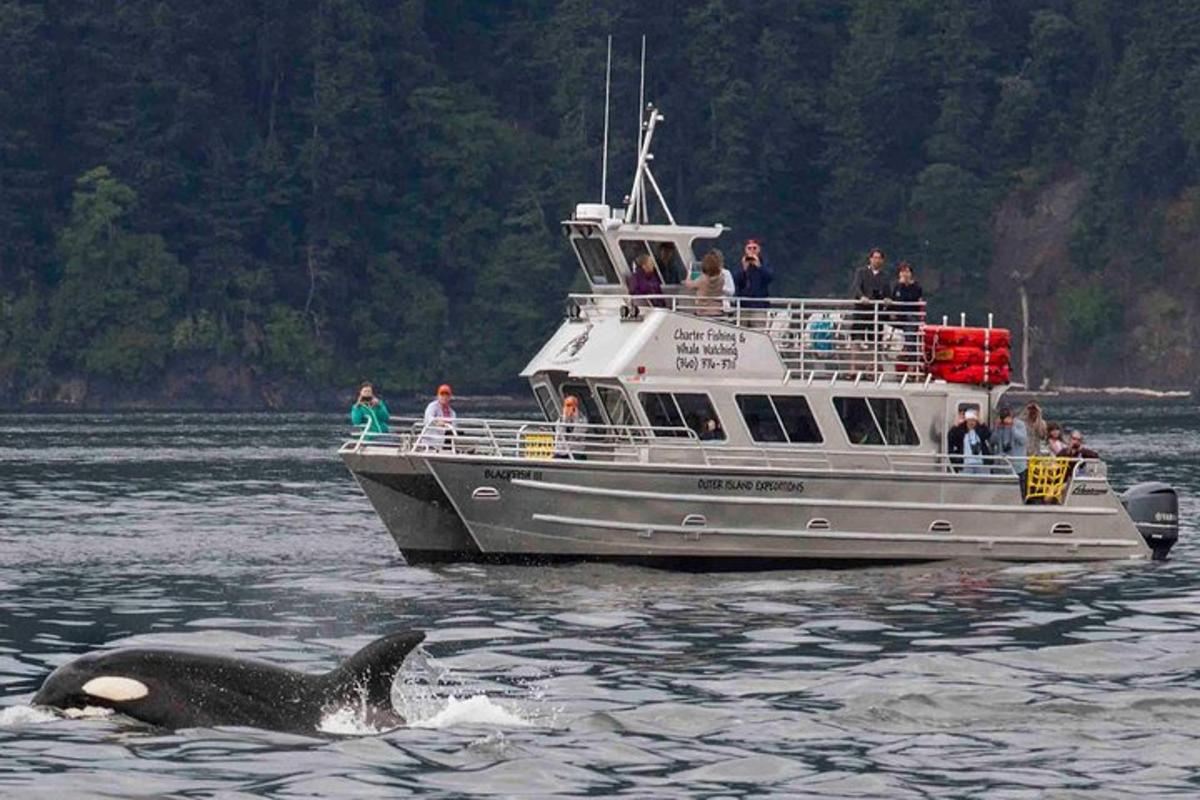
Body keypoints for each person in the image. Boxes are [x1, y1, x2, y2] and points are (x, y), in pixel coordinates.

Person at [849, 247, 891, 350]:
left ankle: (873, 365)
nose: (877, 260)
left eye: (879, 258)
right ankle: (855, 364)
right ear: (870, 259)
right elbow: (856, 287)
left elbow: (888, 292)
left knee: (875, 339)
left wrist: (887, 298)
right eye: (875, 257)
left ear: (882, 260)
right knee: (857, 338)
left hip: (876, 313)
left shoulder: (885, 276)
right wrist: (862, 296)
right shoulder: (861, 272)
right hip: (861, 310)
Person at [889, 260, 924, 368]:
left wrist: (905, 285)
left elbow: (912, 300)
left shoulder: (916, 287)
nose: (905, 274)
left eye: (907, 271)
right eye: (903, 271)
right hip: (899, 317)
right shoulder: (897, 286)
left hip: (911, 317)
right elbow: (894, 301)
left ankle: (912, 362)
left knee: (910, 328)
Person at [733, 238, 773, 326]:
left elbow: (769, 278)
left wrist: (759, 266)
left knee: (758, 332)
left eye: (754, 248)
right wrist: (744, 269)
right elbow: (735, 281)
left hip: (759, 306)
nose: (752, 251)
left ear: (759, 249)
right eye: (749, 248)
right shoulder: (741, 263)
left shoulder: (764, 263)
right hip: (743, 306)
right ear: (745, 250)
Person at [683, 249, 728, 316]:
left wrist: (689, 274)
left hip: (703, 312)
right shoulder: (722, 278)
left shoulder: (703, 279)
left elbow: (689, 285)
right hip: (717, 311)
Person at [947, 408, 991, 474]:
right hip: (966, 465)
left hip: (981, 464)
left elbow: (988, 434)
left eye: (974, 420)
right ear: (966, 420)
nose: (972, 422)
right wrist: (956, 425)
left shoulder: (979, 431)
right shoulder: (961, 431)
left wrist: (982, 423)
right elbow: (951, 438)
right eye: (969, 420)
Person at [988, 406, 1028, 477]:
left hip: (1017, 467)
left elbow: (1023, 441)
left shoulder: (1019, 424)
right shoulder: (999, 426)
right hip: (1000, 467)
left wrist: (1012, 426)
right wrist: (997, 428)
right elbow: (992, 441)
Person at [420, 383, 457, 450]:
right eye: (442, 394)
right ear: (438, 396)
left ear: (450, 397)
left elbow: (454, 427)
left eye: (447, 395)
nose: (444, 397)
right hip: (430, 442)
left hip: (446, 442)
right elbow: (429, 418)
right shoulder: (432, 406)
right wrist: (438, 422)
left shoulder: (452, 413)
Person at [553, 394, 588, 459]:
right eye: (567, 405)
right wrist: (565, 419)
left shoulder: (582, 420)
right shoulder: (560, 419)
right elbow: (561, 435)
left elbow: (577, 435)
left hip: (576, 451)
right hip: (561, 452)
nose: (569, 408)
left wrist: (576, 419)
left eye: (571, 405)